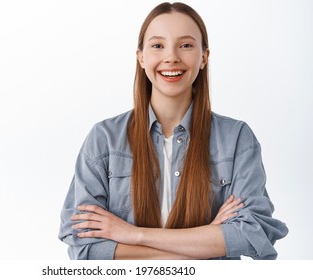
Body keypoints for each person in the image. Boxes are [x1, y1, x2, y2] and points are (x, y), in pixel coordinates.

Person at [58, 2, 288, 260]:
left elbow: (252, 234)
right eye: (158, 45)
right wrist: (207, 242)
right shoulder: (104, 139)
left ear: (204, 57)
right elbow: (84, 247)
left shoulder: (236, 139)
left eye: (186, 45)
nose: (171, 57)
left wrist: (133, 234)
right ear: (141, 57)